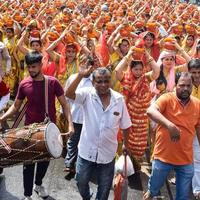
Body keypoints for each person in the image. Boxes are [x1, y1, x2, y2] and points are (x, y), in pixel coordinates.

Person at [0, 51, 74, 200]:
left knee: (44, 162)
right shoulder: (24, 83)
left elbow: (65, 105)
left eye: (34, 66)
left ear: (41, 65)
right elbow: (15, 106)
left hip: (48, 130)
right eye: (29, 67)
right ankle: (27, 195)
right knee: (27, 164)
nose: (31, 70)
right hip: (28, 131)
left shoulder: (52, 82)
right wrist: (2, 117)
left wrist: (70, 125)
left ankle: (38, 184)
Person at [65, 66, 132, 200]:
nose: (103, 85)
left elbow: (126, 125)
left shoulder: (119, 99)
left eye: (106, 81)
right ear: (93, 82)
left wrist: (126, 144)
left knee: (105, 187)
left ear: (110, 81)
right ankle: (87, 196)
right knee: (81, 181)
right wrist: (79, 75)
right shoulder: (86, 94)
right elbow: (69, 94)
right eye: (99, 81)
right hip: (86, 150)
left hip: (108, 153)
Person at [143, 72, 200, 200]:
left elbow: (198, 129)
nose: (185, 88)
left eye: (188, 86)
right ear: (175, 85)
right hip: (163, 157)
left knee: (183, 196)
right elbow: (150, 111)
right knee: (154, 188)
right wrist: (170, 126)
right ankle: (151, 192)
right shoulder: (167, 98)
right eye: (182, 85)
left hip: (186, 159)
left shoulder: (197, 104)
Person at [63, 58, 94, 180]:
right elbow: (67, 96)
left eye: (88, 65)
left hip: (89, 118)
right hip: (75, 115)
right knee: (73, 141)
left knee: (85, 142)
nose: (85, 67)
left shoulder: (95, 80)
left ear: (92, 67)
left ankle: (83, 166)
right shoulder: (73, 77)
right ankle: (69, 164)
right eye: (83, 64)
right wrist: (64, 111)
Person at [188, 59, 200, 199]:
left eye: (199, 72)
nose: (196, 75)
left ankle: (197, 189)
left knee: (197, 159)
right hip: (186, 128)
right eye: (193, 72)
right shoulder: (184, 85)